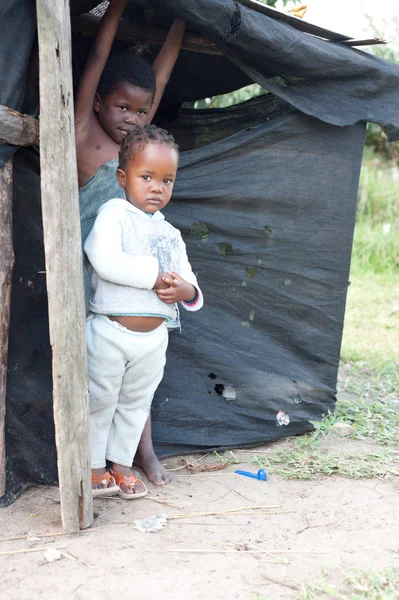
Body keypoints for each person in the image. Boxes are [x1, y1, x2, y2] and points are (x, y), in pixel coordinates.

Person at [75, 0, 185, 489]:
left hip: (144, 278)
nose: (132, 118)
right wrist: (116, 6)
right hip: (92, 272)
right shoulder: (81, 132)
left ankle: (142, 454)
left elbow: (160, 77)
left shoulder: (138, 145)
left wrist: (186, 17)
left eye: (142, 111)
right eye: (122, 106)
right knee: (101, 381)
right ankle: (94, 462)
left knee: (141, 376)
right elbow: (98, 55)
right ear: (99, 100)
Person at [84, 124, 203, 498]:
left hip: (153, 340)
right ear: (122, 177)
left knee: (136, 404)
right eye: (147, 177)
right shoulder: (113, 214)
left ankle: (121, 465)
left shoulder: (170, 232)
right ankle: (92, 465)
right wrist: (153, 277)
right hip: (110, 332)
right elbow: (103, 260)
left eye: (167, 180)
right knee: (100, 400)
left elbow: (187, 276)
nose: (157, 187)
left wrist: (188, 290)